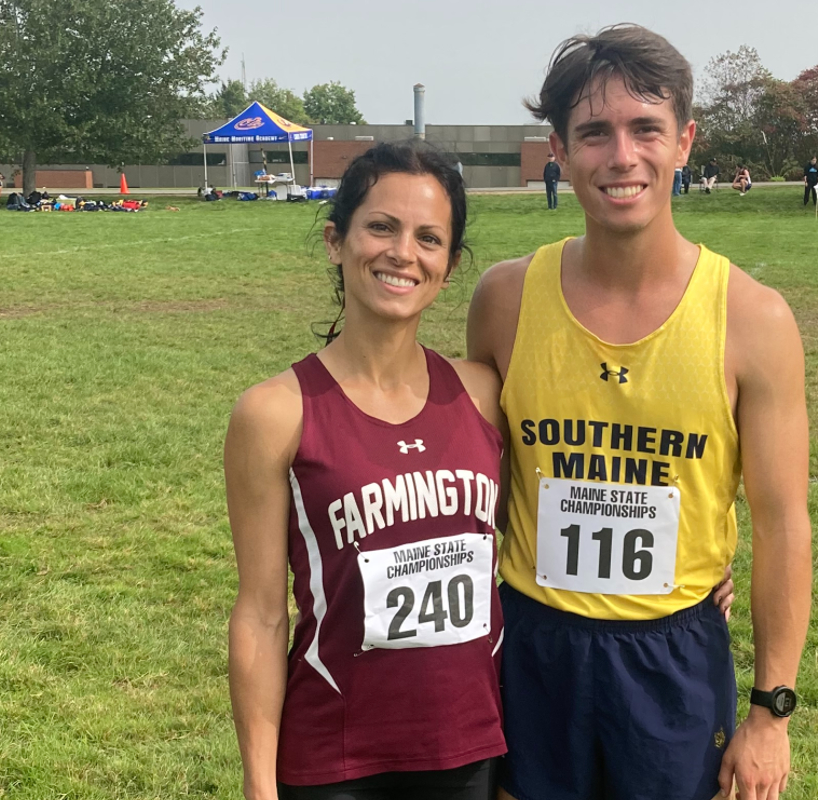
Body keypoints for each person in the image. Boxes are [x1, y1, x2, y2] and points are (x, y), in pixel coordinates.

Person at [467, 24, 812, 800]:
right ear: (559, 151)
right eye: (594, 133)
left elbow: (784, 523)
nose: (622, 156)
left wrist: (772, 714)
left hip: (673, 657)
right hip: (533, 646)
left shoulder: (754, 320)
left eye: (646, 129)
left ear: (684, 142)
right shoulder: (505, 300)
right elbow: (478, 477)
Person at [225, 141, 509, 800]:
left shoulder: (482, 394)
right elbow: (261, 615)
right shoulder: (275, 413)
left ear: (450, 266)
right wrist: (259, 785)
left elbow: (538, 533)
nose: (403, 253)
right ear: (336, 241)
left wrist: (700, 560)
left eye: (428, 238)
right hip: (335, 758)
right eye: (381, 226)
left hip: (468, 747)